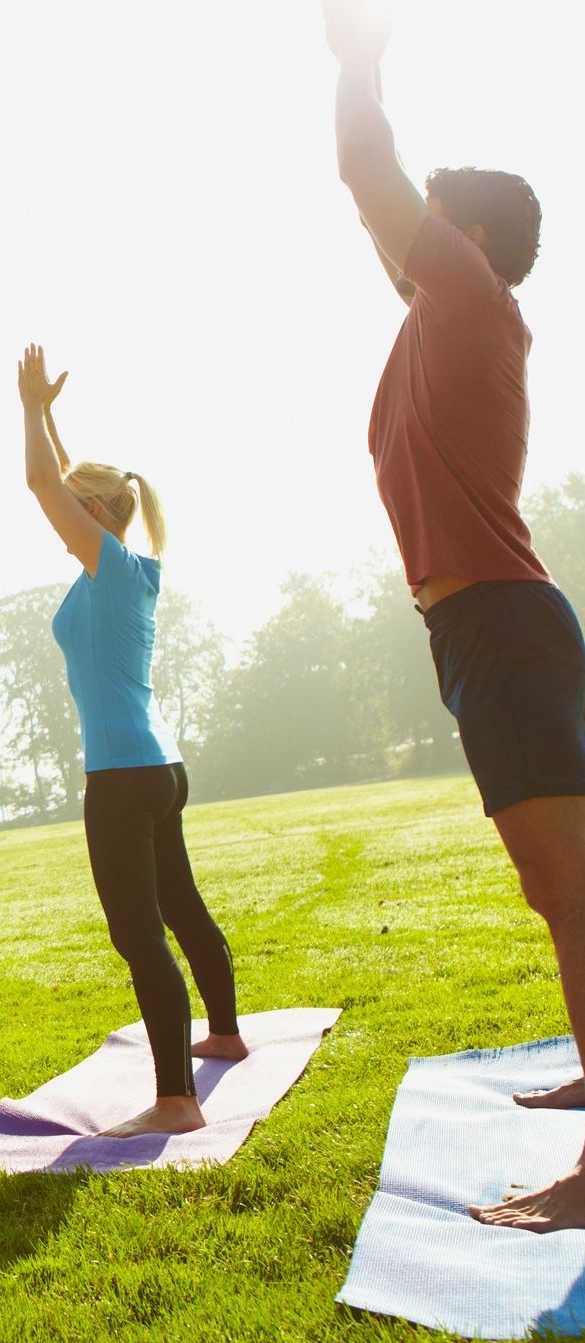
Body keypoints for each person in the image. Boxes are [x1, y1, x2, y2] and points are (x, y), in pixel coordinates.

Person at [323, 1, 584, 1231]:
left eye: (432, 215)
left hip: (506, 630)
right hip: (487, 630)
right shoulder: (443, 316)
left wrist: (359, 64)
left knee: (572, 891)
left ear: (468, 235)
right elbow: (378, 208)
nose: (402, 237)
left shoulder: (471, 297)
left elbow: (367, 177)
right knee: (563, 891)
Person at [17, 343, 246, 1138]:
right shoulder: (124, 566)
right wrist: (48, 413)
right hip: (157, 763)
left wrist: (24, 408)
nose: (57, 520)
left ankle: (175, 1099)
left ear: (95, 517)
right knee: (178, 903)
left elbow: (45, 483)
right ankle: (222, 1031)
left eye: (76, 512)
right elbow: (72, 479)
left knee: (137, 932)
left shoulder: (110, 567)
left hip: (121, 772)